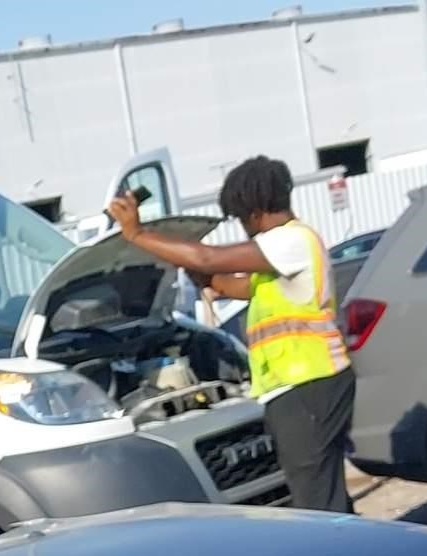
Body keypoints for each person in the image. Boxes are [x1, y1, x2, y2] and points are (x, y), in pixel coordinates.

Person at [108, 156, 355, 513]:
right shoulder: (280, 256)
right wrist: (194, 268)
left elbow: (209, 259)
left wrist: (137, 234)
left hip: (308, 384)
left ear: (253, 212)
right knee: (324, 491)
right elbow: (230, 283)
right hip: (306, 385)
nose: (243, 228)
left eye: (240, 219)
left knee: (316, 502)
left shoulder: (290, 241)